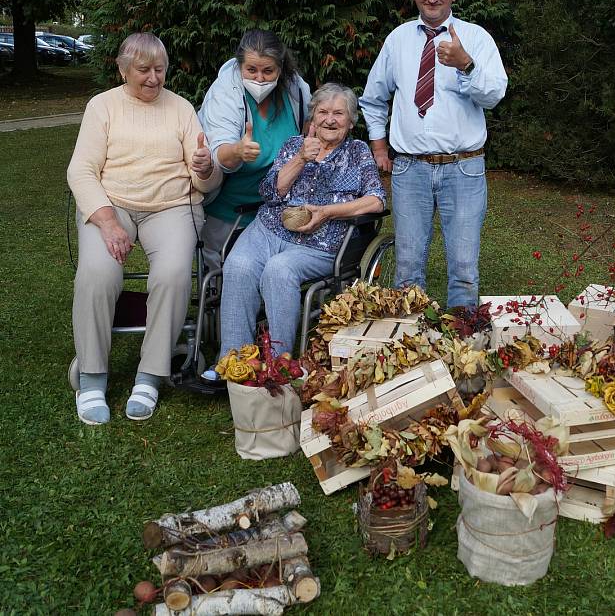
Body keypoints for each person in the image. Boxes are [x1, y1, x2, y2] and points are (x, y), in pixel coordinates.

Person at [67, 32, 222, 425]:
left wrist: (206, 169)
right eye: (143, 70)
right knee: (98, 273)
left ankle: (150, 374)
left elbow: (204, 178)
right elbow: (81, 170)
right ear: (122, 70)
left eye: (160, 69)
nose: (153, 78)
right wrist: (106, 221)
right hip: (112, 204)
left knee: (171, 274)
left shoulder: (182, 108)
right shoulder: (102, 107)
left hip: (171, 206)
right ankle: (92, 376)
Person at [202, 83, 385, 382]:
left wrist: (326, 212)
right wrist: (300, 158)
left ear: (351, 121)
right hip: (269, 229)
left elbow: (377, 200)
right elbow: (270, 191)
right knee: (238, 265)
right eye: (323, 112)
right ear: (312, 118)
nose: (330, 119)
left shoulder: (358, 152)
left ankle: (280, 364)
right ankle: (233, 361)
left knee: (279, 270)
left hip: (320, 242)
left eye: (338, 113)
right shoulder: (293, 145)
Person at [359, 0, 507, 308]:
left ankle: (463, 349)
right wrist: (379, 145)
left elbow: (495, 96)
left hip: (464, 168)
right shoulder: (397, 40)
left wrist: (465, 64)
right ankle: (411, 348)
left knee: (464, 267)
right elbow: (373, 98)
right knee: (408, 268)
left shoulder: (476, 38)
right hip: (410, 169)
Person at [198, 29, 312, 272]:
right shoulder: (224, 94)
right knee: (228, 272)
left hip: (276, 207)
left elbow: (305, 131)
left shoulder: (296, 90)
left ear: (280, 68)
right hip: (229, 209)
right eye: (251, 70)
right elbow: (219, 155)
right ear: (240, 66)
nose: (259, 78)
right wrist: (238, 151)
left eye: (267, 71)